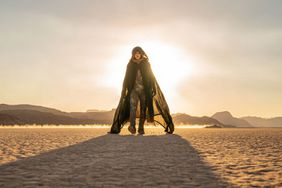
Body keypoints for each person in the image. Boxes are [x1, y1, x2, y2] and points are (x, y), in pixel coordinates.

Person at [109, 46, 174, 135]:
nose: (137, 55)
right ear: (133, 54)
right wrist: (124, 90)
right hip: (133, 90)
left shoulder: (146, 64)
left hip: (145, 90)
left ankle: (141, 128)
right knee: (132, 108)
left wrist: (153, 88)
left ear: (141, 53)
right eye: (135, 53)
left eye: (138, 53)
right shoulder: (130, 64)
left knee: (143, 109)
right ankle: (132, 126)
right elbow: (126, 78)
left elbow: (151, 76)